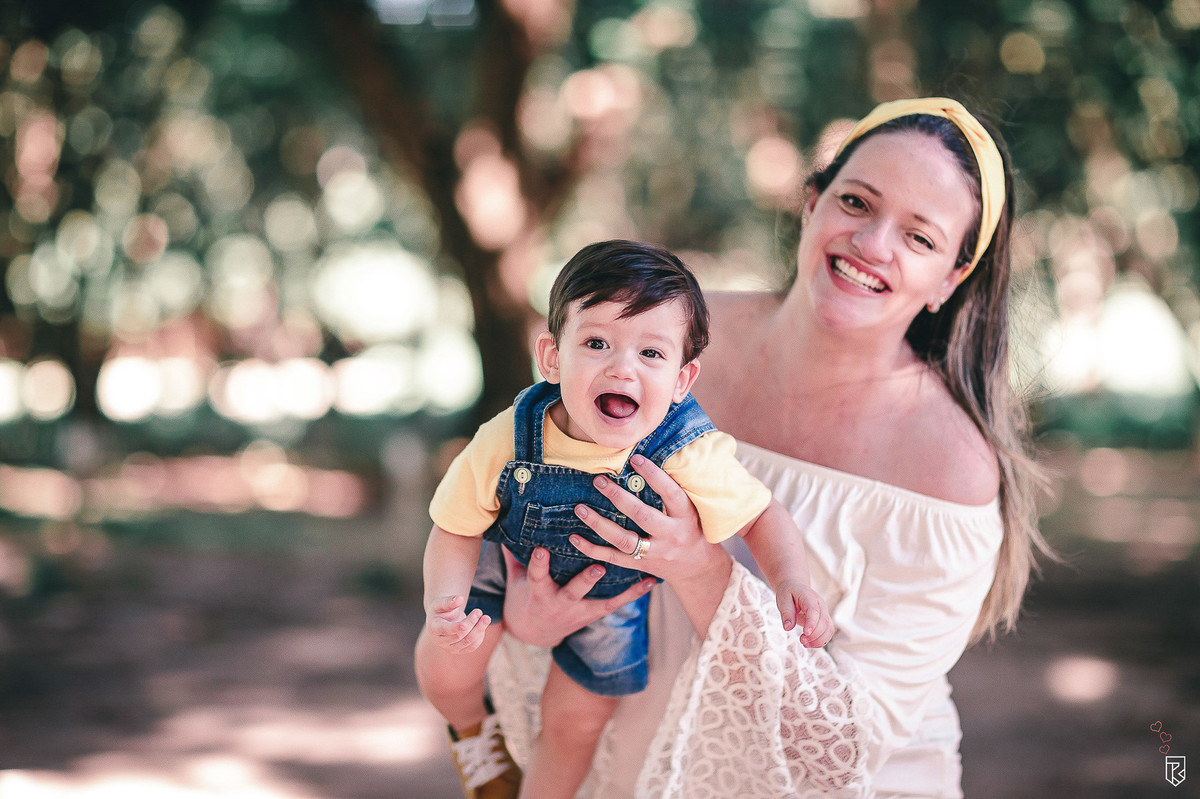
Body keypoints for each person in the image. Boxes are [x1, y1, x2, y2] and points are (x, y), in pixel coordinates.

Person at [480, 98, 1053, 798]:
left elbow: (844, 750)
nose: (873, 243)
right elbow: (523, 496)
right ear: (811, 204)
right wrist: (528, 611)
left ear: (951, 280)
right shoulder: (667, 340)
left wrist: (700, 566)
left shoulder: (950, 467)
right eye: (855, 201)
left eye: (920, 238)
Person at [414, 240, 834, 799]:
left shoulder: (686, 448)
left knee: (576, 723)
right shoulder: (513, 435)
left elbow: (760, 514)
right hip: (503, 561)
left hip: (611, 599)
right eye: (596, 343)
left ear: (683, 382)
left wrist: (791, 580)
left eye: (651, 354)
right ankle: (472, 732)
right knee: (446, 671)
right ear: (552, 358)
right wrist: (443, 599)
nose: (622, 367)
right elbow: (455, 525)